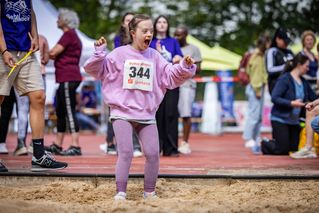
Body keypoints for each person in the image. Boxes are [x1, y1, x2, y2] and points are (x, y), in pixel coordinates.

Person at [83, 14, 196, 200]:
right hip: (122, 112)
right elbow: (95, 70)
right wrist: (99, 53)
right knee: (126, 152)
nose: (149, 34)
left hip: (146, 113)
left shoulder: (155, 56)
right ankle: (120, 192)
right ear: (133, 33)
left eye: (151, 30)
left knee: (152, 154)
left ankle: (149, 192)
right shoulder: (118, 54)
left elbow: (170, 75)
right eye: (145, 30)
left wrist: (184, 66)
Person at [0, 0, 67, 172]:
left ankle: (38, 155)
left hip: (26, 51)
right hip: (4, 50)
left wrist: (35, 35)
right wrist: (4, 50)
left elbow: (30, 11)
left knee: (38, 97)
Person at [102, 12, 143, 157]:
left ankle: (135, 145)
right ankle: (110, 143)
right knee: (115, 113)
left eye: (133, 20)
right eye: (127, 20)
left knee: (134, 113)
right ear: (122, 23)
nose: (129, 22)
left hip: (134, 81)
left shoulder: (140, 39)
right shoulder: (118, 39)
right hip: (118, 81)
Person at [261, 53, 317, 155]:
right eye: (306, 66)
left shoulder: (304, 82)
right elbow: (274, 97)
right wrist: (291, 103)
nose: (308, 69)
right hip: (280, 119)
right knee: (282, 150)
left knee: (294, 148)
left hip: (294, 122)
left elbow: (313, 97)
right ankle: (265, 142)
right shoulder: (285, 79)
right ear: (299, 65)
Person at [46, 8, 82, 156]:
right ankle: (58, 144)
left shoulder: (68, 35)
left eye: (59, 18)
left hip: (68, 77)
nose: (57, 20)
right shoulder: (71, 36)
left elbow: (53, 52)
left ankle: (75, 145)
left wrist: (47, 51)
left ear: (66, 21)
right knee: (60, 111)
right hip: (65, 78)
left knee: (68, 110)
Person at [150, 15, 183, 157]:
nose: (162, 24)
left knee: (170, 113)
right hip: (155, 83)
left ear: (168, 26)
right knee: (156, 114)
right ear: (155, 25)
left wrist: (177, 59)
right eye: (159, 22)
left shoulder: (173, 41)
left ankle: (171, 148)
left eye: (164, 22)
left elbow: (179, 58)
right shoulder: (150, 41)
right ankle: (156, 147)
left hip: (171, 82)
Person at [174, 25, 202, 154]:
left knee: (186, 114)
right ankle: (171, 141)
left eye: (179, 35)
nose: (176, 37)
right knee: (170, 115)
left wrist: (189, 64)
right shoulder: (172, 47)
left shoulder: (193, 49)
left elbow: (199, 69)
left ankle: (185, 143)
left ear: (186, 35)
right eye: (175, 34)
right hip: (172, 85)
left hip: (187, 85)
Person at [242, 34, 270, 152]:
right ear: (264, 44)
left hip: (256, 87)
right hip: (256, 87)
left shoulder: (258, 55)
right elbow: (256, 74)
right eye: (268, 43)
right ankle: (249, 138)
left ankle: (255, 137)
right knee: (254, 115)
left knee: (258, 115)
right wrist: (257, 89)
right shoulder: (257, 56)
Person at [265, 27, 294, 94]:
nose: (287, 44)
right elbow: (270, 69)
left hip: (290, 86)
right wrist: (285, 66)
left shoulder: (289, 52)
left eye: (288, 41)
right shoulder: (272, 51)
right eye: (285, 41)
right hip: (276, 86)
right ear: (277, 39)